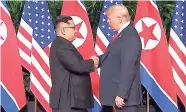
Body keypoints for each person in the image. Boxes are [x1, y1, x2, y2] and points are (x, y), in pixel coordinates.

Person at [95, 5, 142, 112]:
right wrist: (97, 60)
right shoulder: (122, 35)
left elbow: (128, 66)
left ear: (120, 18)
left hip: (124, 100)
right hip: (114, 96)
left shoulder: (129, 36)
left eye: (109, 18)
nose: (107, 21)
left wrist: (121, 94)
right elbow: (113, 56)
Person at [49, 16, 98, 112]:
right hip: (68, 102)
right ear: (63, 30)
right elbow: (77, 66)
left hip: (71, 101)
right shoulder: (61, 45)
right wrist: (93, 62)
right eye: (73, 28)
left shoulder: (62, 44)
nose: (76, 30)